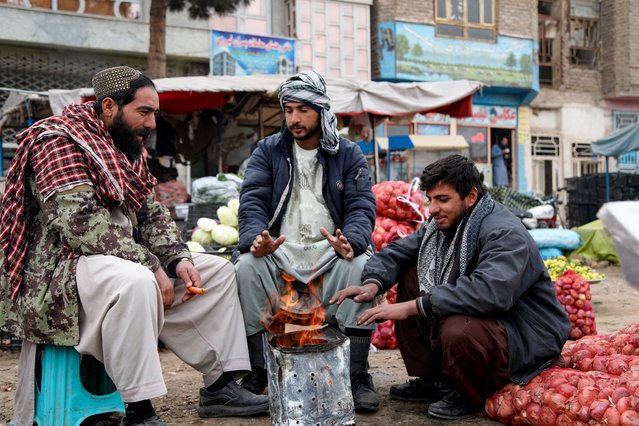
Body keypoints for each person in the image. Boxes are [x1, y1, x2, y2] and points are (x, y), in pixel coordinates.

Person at [0, 66, 269, 426]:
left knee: (216, 271)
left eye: (154, 112)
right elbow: (79, 225)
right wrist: (150, 264)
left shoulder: (127, 146)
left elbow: (151, 212)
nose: (152, 123)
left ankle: (219, 386)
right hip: (62, 272)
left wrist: (176, 259)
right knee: (137, 281)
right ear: (109, 106)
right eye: (144, 111)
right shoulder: (57, 141)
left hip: (120, 263)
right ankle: (139, 410)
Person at [331, 154, 570, 419]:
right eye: (431, 200)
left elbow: (489, 292)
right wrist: (373, 284)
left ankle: (470, 394)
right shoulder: (441, 225)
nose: (432, 209)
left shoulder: (503, 232)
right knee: (413, 273)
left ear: (471, 196)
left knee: (458, 327)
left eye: (443, 200)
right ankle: (435, 380)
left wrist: (412, 307)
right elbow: (399, 252)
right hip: (488, 319)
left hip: (525, 333)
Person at [234, 70, 379, 412]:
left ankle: (358, 374)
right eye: (288, 110)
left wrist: (353, 241)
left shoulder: (348, 153)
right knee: (246, 268)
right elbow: (252, 200)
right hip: (280, 251)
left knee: (360, 266)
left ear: (321, 110)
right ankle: (260, 373)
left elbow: (361, 205)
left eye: (303, 109)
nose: (294, 119)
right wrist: (257, 240)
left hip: (329, 253)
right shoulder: (268, 150)